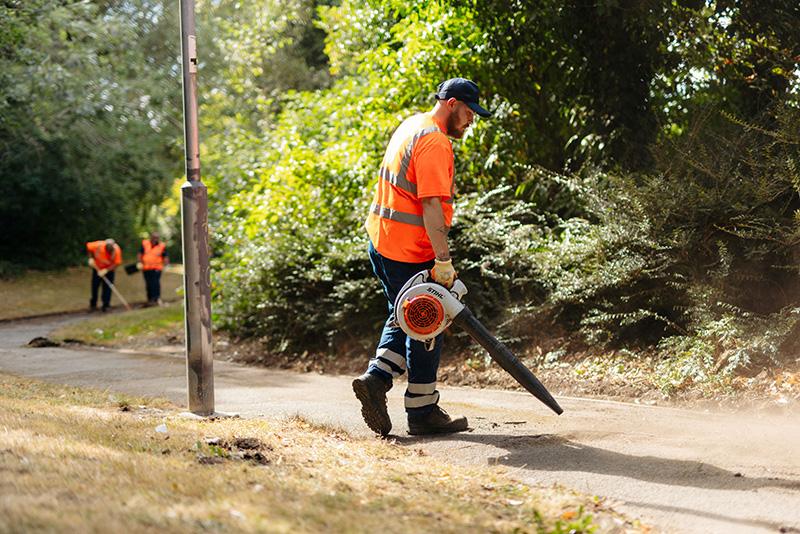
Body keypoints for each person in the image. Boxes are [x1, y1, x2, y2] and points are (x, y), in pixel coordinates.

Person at [353, 78, 492, 436]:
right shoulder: (434, 141)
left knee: (404, 318)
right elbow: (430, 203)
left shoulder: (412, 125)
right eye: (468, 112)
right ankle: (414, 406)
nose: (471, 120)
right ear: (451, 104)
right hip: (409, 250)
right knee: (429, 320)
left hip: (382, 240)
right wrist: (442, 261)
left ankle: (384, 385)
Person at [86, 238, 122, 312]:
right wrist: (91, 258)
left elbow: (116, 263)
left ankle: (106, 305)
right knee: (95, 287)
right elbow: (89, 248)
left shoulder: (117, 250)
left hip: (109, 270)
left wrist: (106, 270)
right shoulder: (98, 245)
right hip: (97, 268)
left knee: (107, 287)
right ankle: (93, 305)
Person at [137, 232, 169, 306]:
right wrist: (139, 262)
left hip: (157, 268)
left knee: (155, 283)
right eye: (154, 237)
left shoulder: (162, 246)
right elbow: (140, 253)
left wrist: (166, 265)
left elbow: (165, 256)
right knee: (148, 283)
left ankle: (156, 298)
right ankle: (150, 299)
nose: (155, 239)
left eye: (157, 238)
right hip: (146, 268)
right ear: (151, 237)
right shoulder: (145, 243)